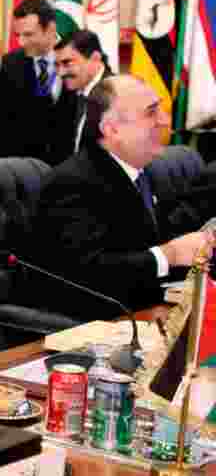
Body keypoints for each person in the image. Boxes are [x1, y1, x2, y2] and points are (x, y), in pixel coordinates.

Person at [29, 75, 213, 320]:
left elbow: (160, 234)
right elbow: (85, 272)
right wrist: (169, 255)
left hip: (153, 308)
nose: (164, 121)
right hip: (97, 323)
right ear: (112, 130)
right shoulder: (72, 182)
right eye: (151, 113)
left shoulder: (142, 170)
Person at [0, 0, 80, 164]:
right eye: (17, 35)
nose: (21, 42)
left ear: (50, 29)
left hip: (70, 167)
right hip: (25, 169)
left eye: (28, 34)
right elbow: (3, 123)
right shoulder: (10, 64)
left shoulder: (80, 58)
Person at [56, 29, 112, 157]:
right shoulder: (69, 92)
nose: (60, 73)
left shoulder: (117, 94)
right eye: (57, 65)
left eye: (67, 63)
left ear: (95, 58)